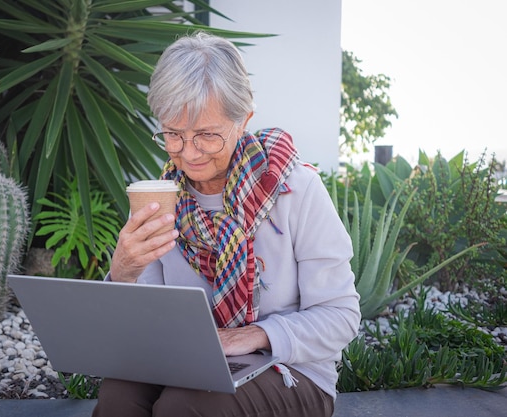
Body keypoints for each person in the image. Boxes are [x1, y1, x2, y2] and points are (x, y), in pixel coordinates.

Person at [92, 31, 360, 417]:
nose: (188, 153)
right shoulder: (162, 196)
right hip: (184, 362)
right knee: (118, 397)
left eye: (206, 135)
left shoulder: (296, 189)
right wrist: (122, 272)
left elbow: (341, 316)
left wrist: (256, 336)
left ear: (243, 119)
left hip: (293, 371)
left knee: (184, 407)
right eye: (173, 135)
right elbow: (137, 327)